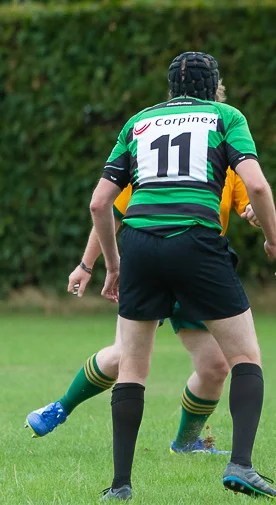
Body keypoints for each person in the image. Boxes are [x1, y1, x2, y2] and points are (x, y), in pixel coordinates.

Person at [88, 51, 276, 500]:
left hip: (139, 243)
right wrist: (274, 243)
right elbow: (257, 185)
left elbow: (100, 203)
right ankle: (241, 466)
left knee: (132, 367)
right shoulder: (225, 117)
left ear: (170, 88)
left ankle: (120, 485)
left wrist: (114, 264)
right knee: (244, 357)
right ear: (215, 87)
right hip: (196, 240)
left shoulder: (139, 122)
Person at [28, 82, 253, 456]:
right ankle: (60, 408)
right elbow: (111, 210)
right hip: (153, 260)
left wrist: (253, 213)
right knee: (123, 357)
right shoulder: (159, 158)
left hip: (197, 266)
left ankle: (186, 443)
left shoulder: (229, 158)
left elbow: (249, 202)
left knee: (215, 365)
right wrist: (87, 264)